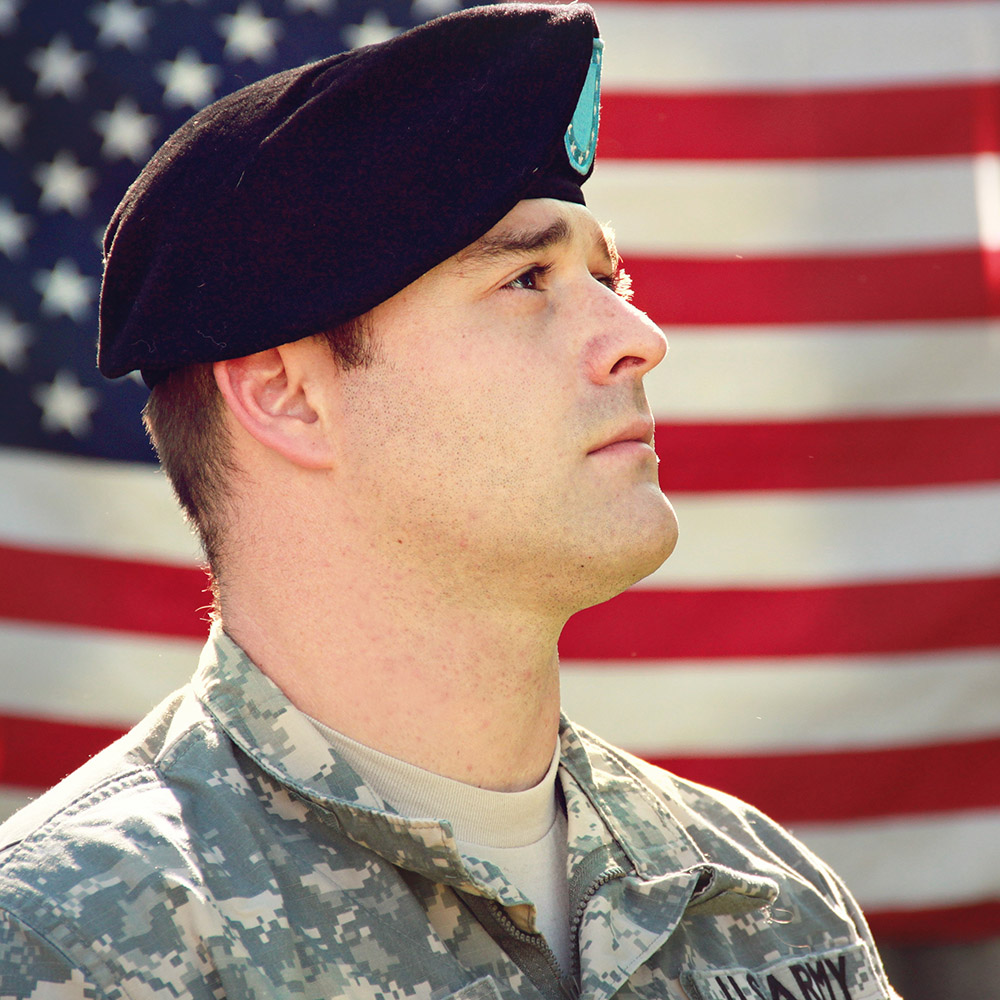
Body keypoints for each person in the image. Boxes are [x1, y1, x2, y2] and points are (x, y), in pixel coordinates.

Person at [0, 5, 900, 998]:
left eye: (609, 274)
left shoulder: (769, 906)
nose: (638, 336)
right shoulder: (73, 942)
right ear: (286, 396)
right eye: (525, 278)